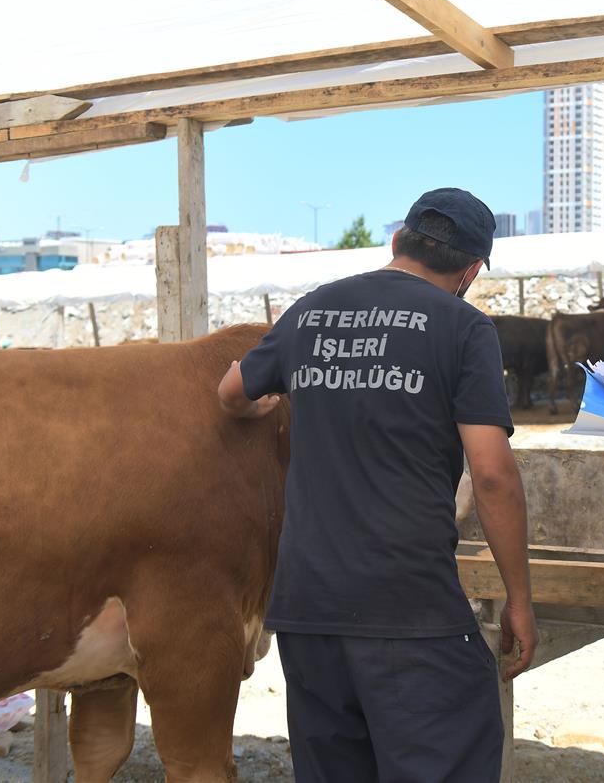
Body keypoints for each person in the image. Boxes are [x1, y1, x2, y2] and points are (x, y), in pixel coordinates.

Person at [217, 188, 537, 783]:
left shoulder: (311, 310)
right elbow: (492, 475)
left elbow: (232, 393)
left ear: (398, 242)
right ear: (471, 270)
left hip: (308, 610)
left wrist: (264, 406)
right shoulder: (465, 328)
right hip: (409, 608)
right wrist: (518, 600)